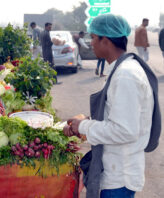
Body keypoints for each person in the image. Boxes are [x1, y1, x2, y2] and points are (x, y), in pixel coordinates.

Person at [63, 14, 161, 198]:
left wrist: (83, 126)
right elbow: (116, 117)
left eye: (93, 38)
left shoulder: (126, 76)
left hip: (119, 178)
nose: (90, 43)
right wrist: (86, 121)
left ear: (105, 40)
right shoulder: (120, 70)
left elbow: (125, 130)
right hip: (114, 170)